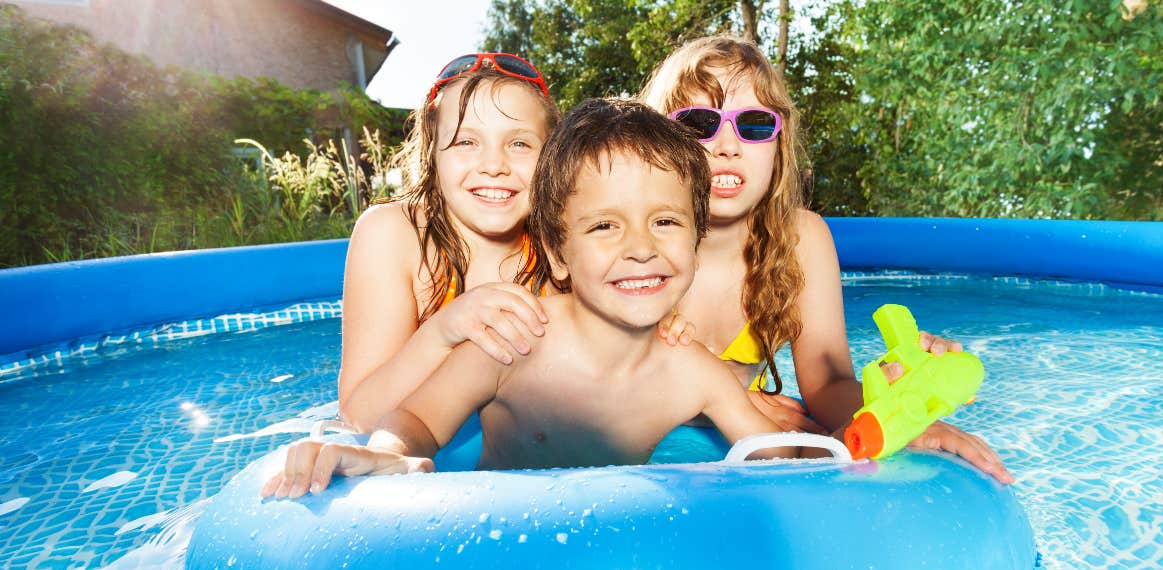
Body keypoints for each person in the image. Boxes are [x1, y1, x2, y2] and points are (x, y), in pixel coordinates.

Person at [263, 99, 800, 498]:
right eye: (605, 226)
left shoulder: (695, 372)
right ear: (558, 253)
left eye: (665, 221)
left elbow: (778, 460)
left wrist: (869, 427)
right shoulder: (517, 341)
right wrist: (385, 454)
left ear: (696, 239)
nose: (641, 249)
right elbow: (421, 420)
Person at [640, 36, 1014, 483]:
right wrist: (720, 396)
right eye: (699, 123)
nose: (727, 145)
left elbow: (828, 385)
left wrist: (902, 410)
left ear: (779, 146)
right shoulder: (633, 246)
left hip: (754, 447)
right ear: (653, 145)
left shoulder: (799, 240)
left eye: (755, 125)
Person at [336, 53, 561, 432]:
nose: (493, 164)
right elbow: (359, 415)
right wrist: (442, 332)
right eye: (465, 142)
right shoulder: (394, 235)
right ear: (432, 156)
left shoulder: (564, 242)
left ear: (552, 157)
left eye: (519, 144)